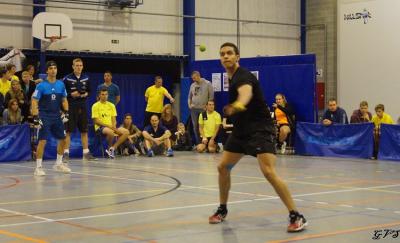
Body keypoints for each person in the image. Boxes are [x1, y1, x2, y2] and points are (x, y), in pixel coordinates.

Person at [208, 42, 307, 232]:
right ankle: (222, 209)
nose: (226, 56)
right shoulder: (232, 77)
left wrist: (235, 106)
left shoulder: (243, 77)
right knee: (223, 167)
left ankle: (296, 215)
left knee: (268, 172)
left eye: (230, 53)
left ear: (238, 57)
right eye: (222, 54)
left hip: (260, 130)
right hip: (241, 132)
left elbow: (246, 95)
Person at [31, 61, 71, 176]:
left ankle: (58, 164)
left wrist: (66, 112)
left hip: (57, 116)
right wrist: (35, 117)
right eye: (51, 68)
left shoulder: (61, 84)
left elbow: (64, 99)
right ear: (47, 71)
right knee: (43, 141)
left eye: (55, 68)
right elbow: (34, 101)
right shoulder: (41, 85)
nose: (53, 70)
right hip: (44, 116)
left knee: (63, 140)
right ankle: (38, 167)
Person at [63, 58, 96, 161]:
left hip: (82, 106)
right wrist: (71, 94)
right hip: (71, 106)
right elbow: (62, 94)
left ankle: (86, 153)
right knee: (68, 131)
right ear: (73, 66)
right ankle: (65, 153)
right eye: (77, 65)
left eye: (80, 65)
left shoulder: (86, 78)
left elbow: (90, 91)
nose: (79, 67)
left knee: (84, 130)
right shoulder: (67, 79)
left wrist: (86, 94)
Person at [92, 88, 128, 159]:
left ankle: (112, 148)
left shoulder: (112, 105)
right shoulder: (95, 106)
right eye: (102, 94)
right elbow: (96, 121)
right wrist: (108, 126)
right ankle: (109, 149)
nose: (104, 96)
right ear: (99, 95)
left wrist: (114, 126)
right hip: (100, 128)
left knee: (126, 132)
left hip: (111, 127)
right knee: (111, 132)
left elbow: (114, 119)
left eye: (106, 94)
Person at [188, 71, 214, 144]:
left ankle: (205, 143)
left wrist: (207, 107)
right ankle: (199, 143)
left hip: (203, 109)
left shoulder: (207, 83)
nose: (193, 79)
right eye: (192, 78)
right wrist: (189, 105)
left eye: (194, 78)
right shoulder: (192, 85)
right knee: (195, 126)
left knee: (204, 126)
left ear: (198, 75)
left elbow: (211, 97)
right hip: (194, 110)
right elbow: (189, 97)